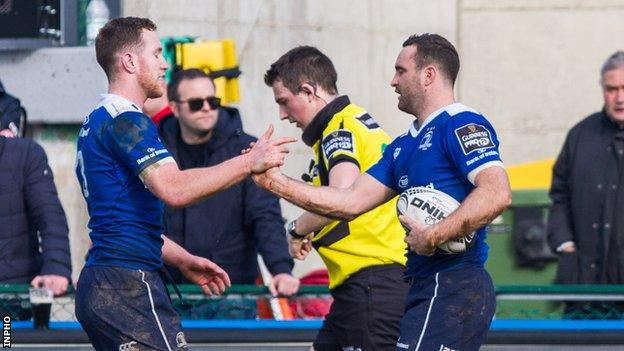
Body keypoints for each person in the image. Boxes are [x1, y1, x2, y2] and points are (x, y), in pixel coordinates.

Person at [255, 34, 511, 351]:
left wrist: (433, 235)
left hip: (454, 284)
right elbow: (347, 201)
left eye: (400, 71)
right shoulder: (401, 147)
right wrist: (274, 182)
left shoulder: (461, 124)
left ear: (428, 75)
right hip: (417, 285)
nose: (392, 81)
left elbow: (497, 193)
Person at [74, 17, 294, 350]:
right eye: (157, 53)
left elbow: (127, 222)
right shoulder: (127, 120)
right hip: (127, 283)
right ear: (130, 61)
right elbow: (174, 188)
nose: (165, 63)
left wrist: (182, 259)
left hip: (107, 282)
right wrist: (249, 161)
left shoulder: (96, 119)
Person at [263, 46, 408, 351]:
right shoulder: (353, 121)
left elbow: (342, 197)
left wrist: (297, 228)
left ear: (309, 91)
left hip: (372, 285)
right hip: (365, 286)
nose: (283, 114)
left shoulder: (338, 129)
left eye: (284, 102)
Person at [160, 68, 299, 298]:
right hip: (169, 292)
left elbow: (264, 215)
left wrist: (281, 269)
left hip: (231, 291)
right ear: (174, 108)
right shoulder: (155, 153)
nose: (206, 107)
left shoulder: (247, 151)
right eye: (196, 103)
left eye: (212, 101)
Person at [548, 51, 624, 318]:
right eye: (612, 89)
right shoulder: (580, 135)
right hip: (581, 287)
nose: (620, 98)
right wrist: (564, 243)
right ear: (603, 89)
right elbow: (559, 196)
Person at [0, 125, 71, 302]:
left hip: (12, 294)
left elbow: (50, 215)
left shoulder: (24, 153)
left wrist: (56, 267)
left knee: (7, 330)